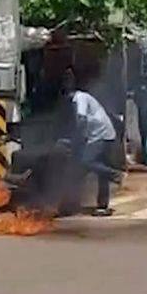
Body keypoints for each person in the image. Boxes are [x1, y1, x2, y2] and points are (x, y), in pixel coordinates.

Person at [62, 69, 125, 217]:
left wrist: (76, 140)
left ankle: (115, 175)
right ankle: (102, 207)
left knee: (86, 162)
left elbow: (82, 120)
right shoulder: (83, 98)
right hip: (107, 134)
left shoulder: (79, 98)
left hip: (101, 135)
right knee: (99, 169)